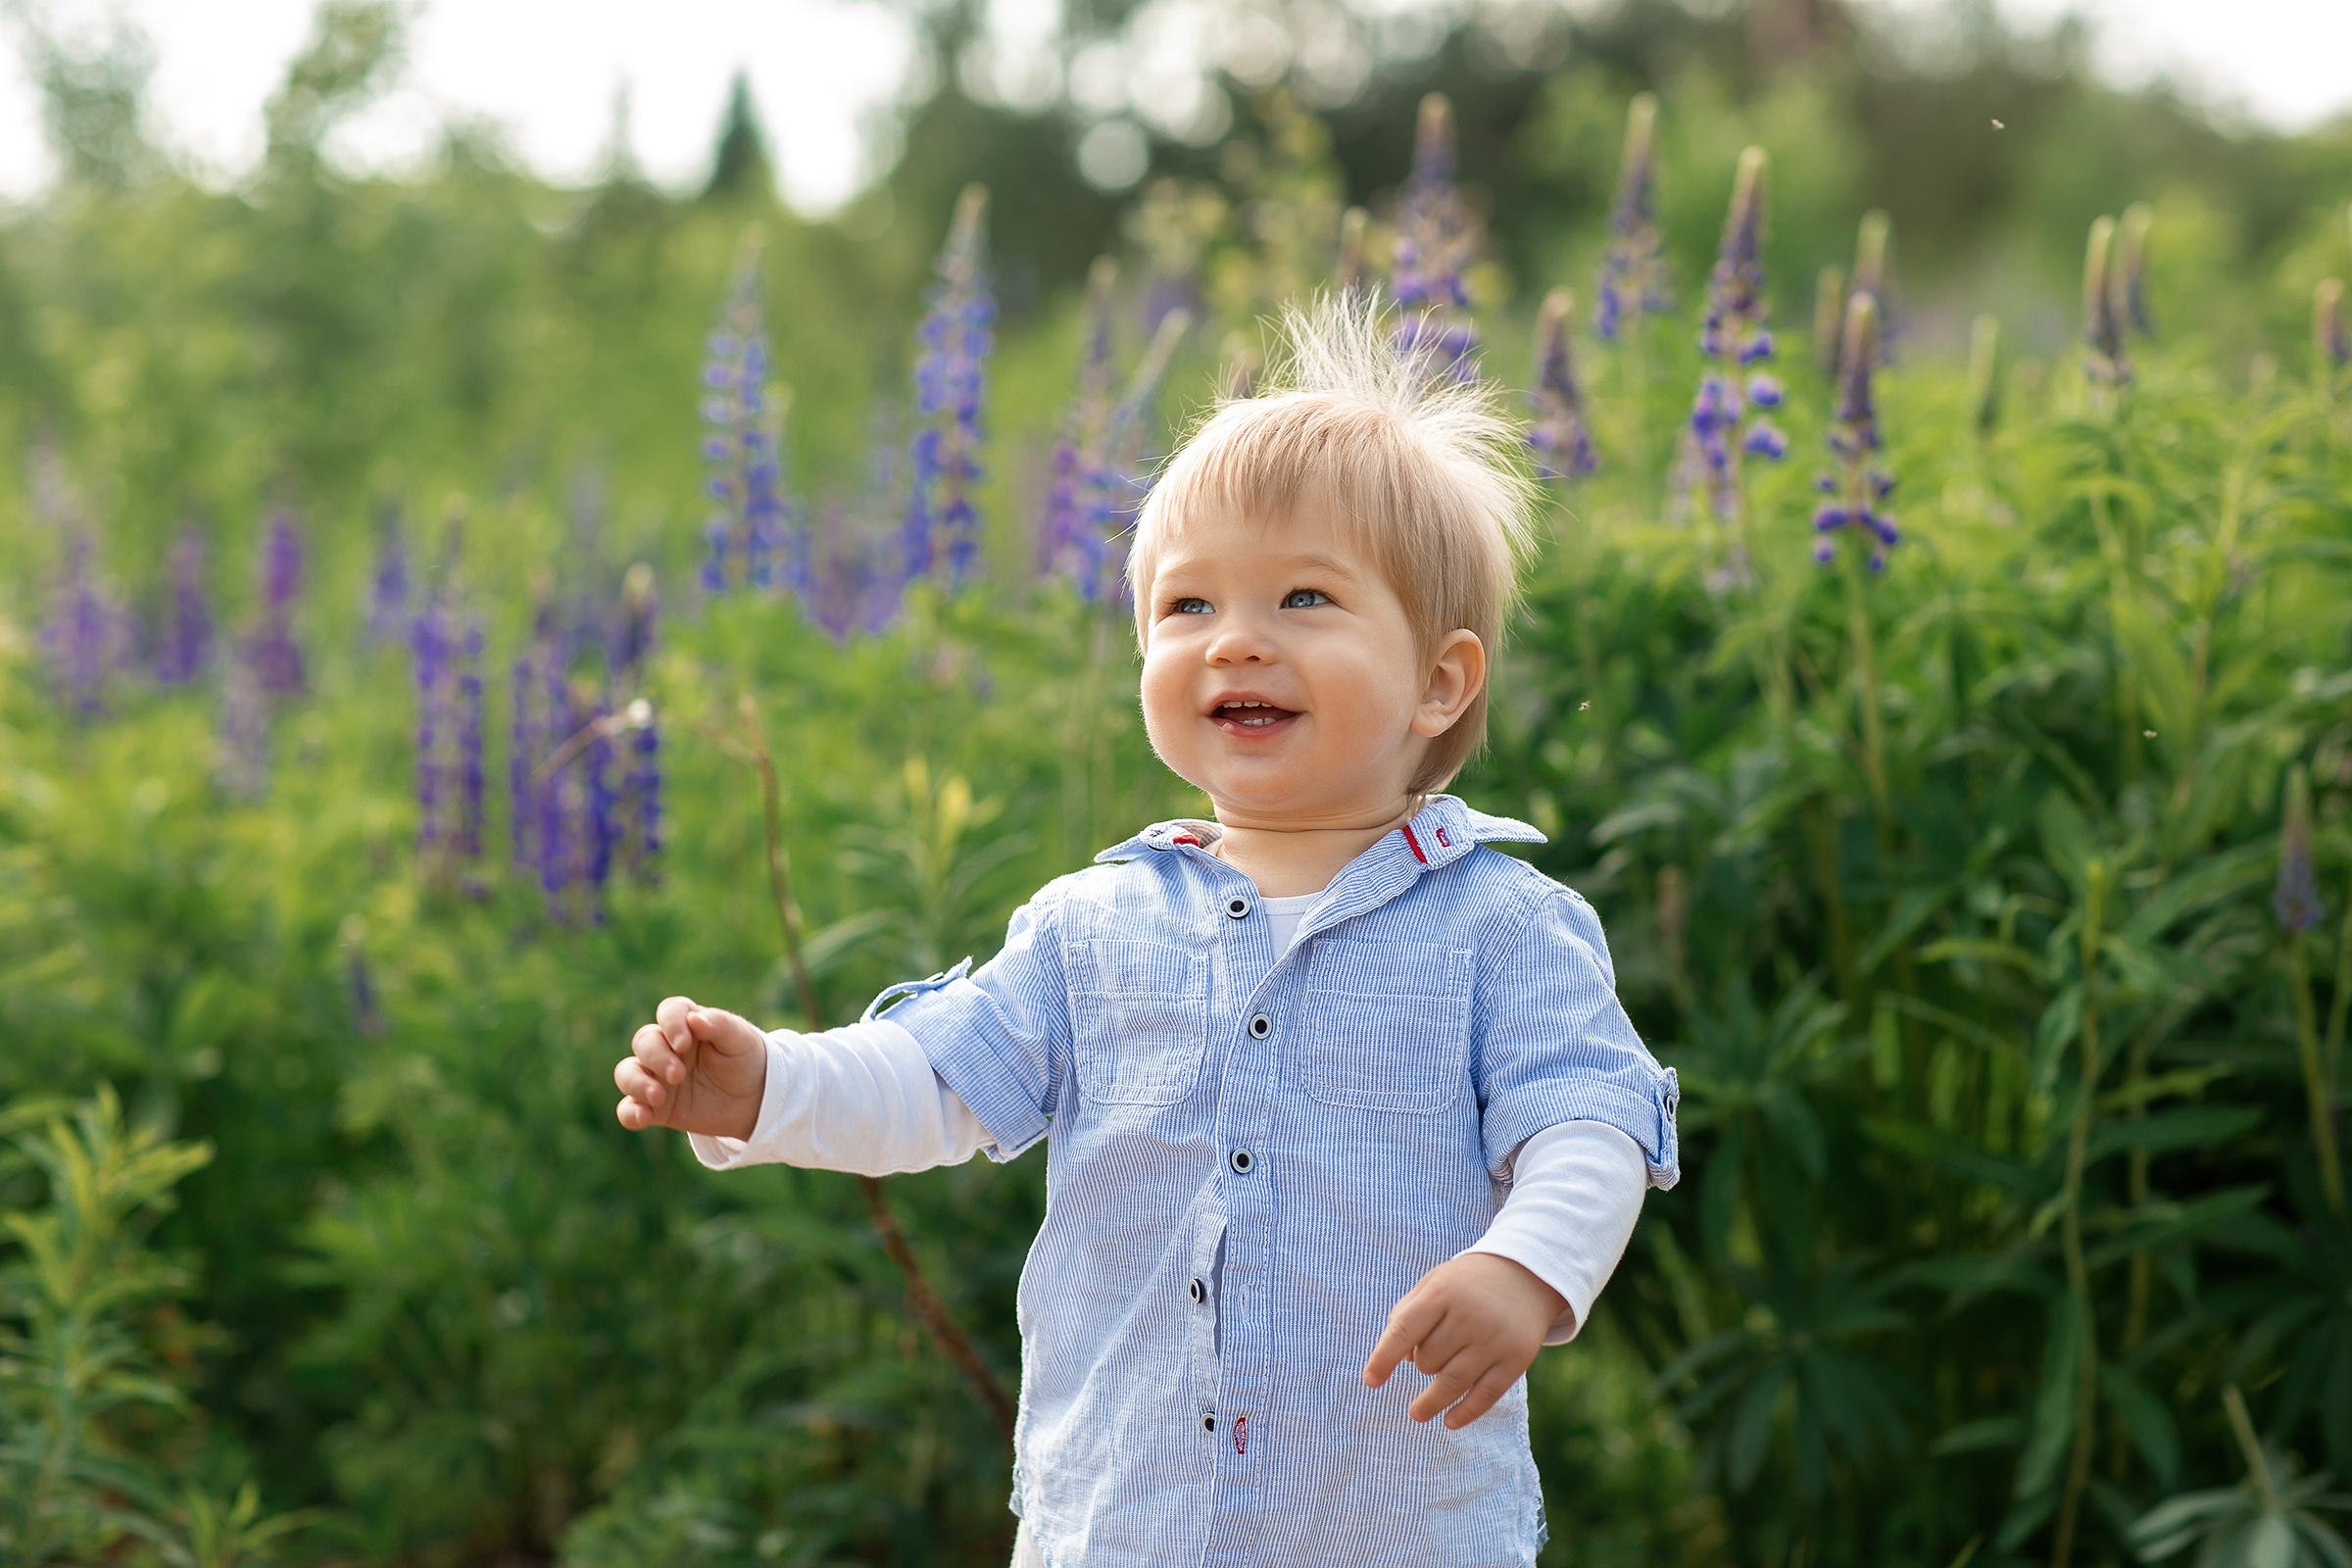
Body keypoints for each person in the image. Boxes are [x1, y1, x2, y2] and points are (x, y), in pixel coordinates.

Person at [612, 296, 1679, 1568]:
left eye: (1302, 598)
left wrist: (1528, 1269)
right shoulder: (1090, 928)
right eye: (1187, 608)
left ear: (1440, 681)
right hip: (1124, 1529)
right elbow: (936, 1083)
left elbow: (1591, 1123)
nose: (1237, 639)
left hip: (1398, 1534)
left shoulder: (1503, 930)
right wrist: (772, 1086)